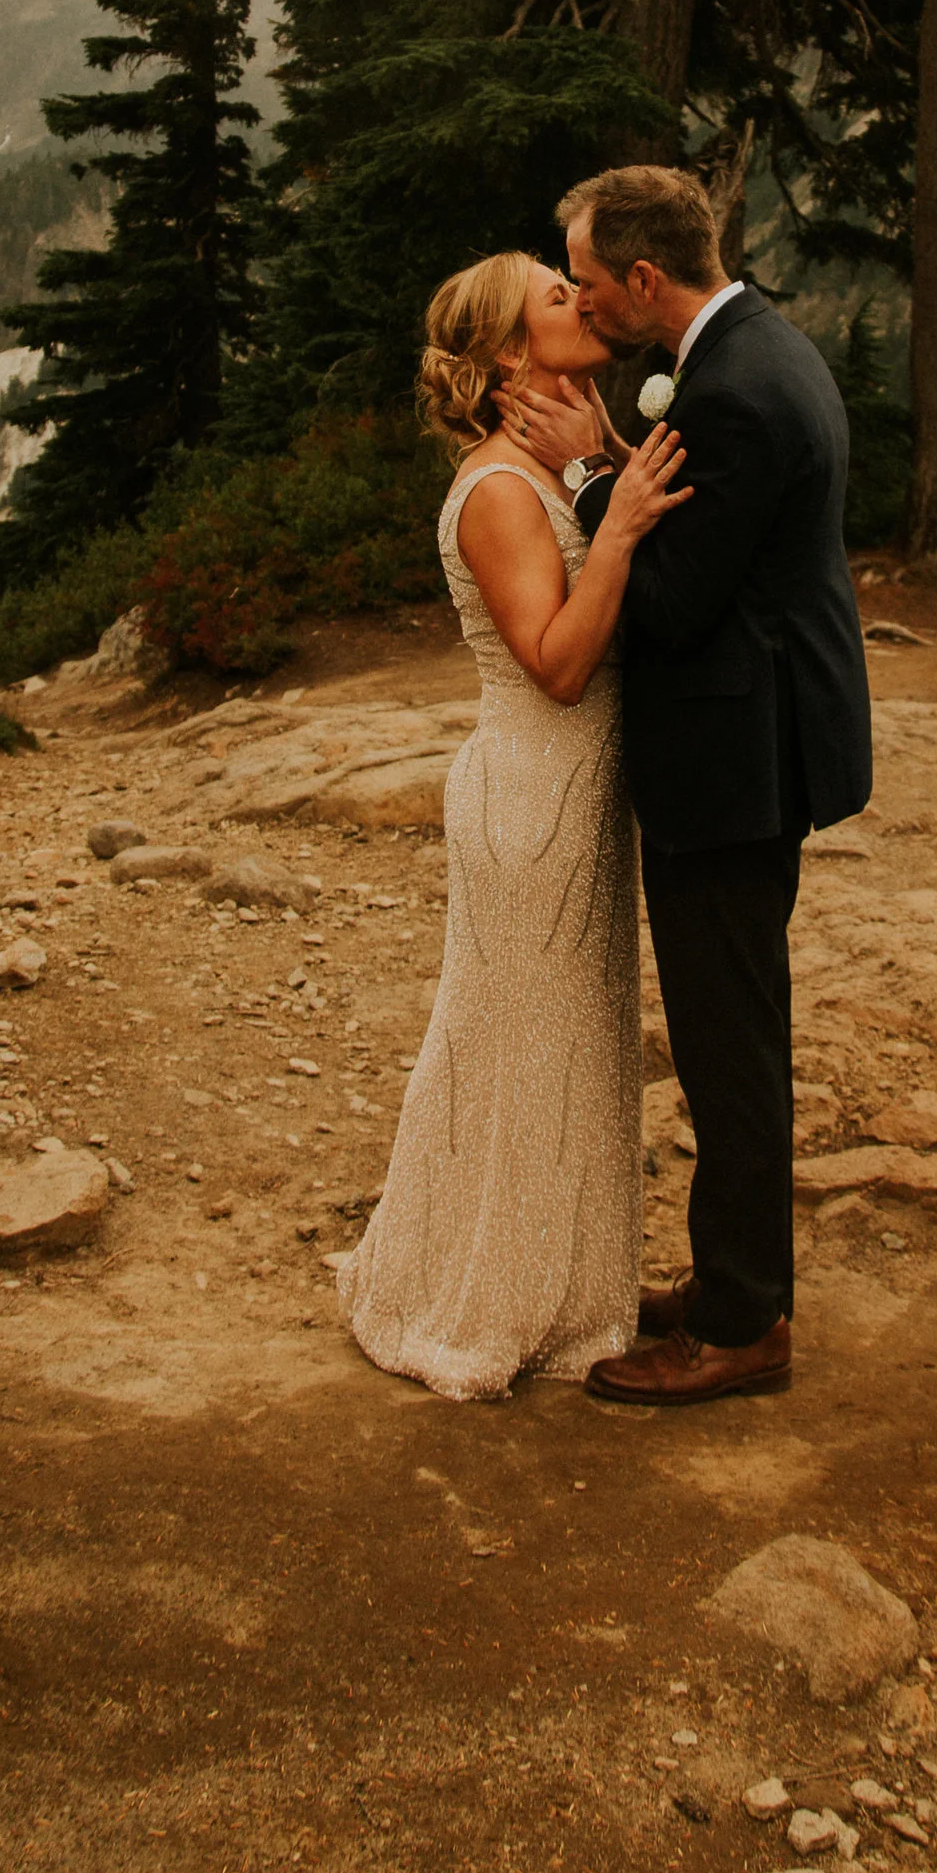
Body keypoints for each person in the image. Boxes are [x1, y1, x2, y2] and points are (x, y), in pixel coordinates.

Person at [506, 165, 873, 1411]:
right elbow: (715, 527)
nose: (582, 299)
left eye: (590, 279)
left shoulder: (736, 399)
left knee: (728, 1045)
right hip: (766, 735)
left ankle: (742, 1322)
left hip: (734, 755)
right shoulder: (756, 350)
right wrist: (617, 458)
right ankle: (730, 1285)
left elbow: (669, 601)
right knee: (732, 1031)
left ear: (645, 281)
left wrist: (586, 481)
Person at [337, 255, 691, 1400]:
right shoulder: (498, 491)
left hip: (577, 800)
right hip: (532, 801)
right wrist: (622, 523)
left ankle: (568, 1290)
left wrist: (608, 473)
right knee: (520, 1050)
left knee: (571, 1050)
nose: (579, 302)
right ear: (504, 357)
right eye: (554, 296)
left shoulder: (554, 462)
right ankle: (477, 1300)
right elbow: (557, 663)